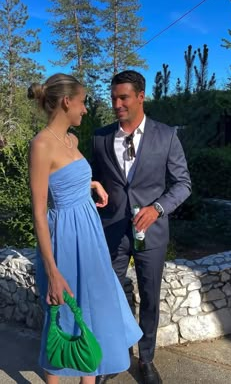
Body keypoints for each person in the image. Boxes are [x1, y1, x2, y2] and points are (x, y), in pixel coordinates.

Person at [28, 73, 143, 384]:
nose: (85, 109)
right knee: (63, 317)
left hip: (89, 236)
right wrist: (53, 272)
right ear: (67, 102)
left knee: (92, 316)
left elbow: (67, 176)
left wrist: (90, 184)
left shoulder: (72, 139)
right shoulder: (41, 145)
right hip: (64, 239)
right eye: (83, 103)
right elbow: (39, 212)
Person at [91, 70, 191, 384]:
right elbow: (93, 179)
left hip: (151, 232)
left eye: (123, 98)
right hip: (112, 231)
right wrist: (91, 189)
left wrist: (158, 208)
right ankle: (115, 356)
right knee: (109, 295)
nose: (117, 104)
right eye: (113, 98)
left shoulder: (166, 136)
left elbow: (183, 184)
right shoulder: (100, 137)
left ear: (141, 96)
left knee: (149, 295)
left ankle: (146, 359)